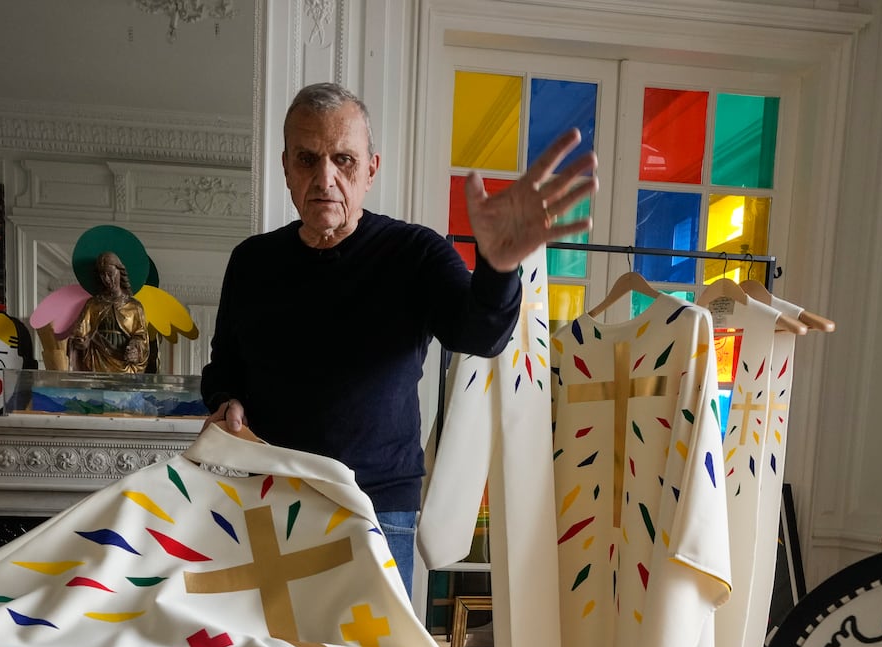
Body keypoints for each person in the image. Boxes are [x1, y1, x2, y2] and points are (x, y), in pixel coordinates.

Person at [201, 82, 596, 592]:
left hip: (378, 509)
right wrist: (224, 398)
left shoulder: (415, 253)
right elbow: (223, 366)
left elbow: (481, 334)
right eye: (307, 159)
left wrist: (498, 268)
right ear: (285, 167)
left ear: (371, 169)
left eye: (343, 160)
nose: (325, 178)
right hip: (267, 503)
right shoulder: (251, 262)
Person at [69, 251, 151, 374]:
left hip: (124, 363)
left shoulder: (134, 306)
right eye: (103, 275)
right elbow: (80, 331)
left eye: (110, 274)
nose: (107, 279)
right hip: (97, 358)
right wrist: (81, 340)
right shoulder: (93, 304)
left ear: (120, 272)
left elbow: (141, 336)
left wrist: (135, 349)